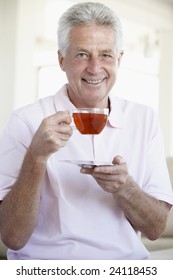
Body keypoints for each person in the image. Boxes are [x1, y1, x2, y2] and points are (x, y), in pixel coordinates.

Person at [0, 2, 173, 260]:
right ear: (61, 59)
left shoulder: (144, 119)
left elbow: (156, 229)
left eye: (105, 55)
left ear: (119, 59)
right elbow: (12, 237)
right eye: (82, 54)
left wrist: (125, 188)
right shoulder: (25, 121)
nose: (94, 68)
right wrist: (36, 157)